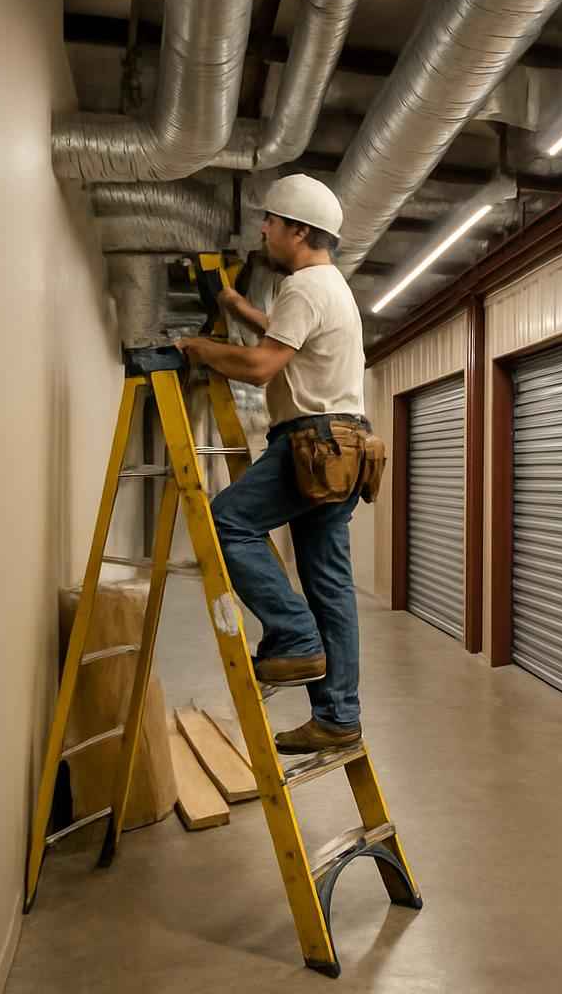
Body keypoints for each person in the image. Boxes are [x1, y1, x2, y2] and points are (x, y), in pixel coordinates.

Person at [175, 175, 369, 755]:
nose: (263, 229)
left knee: (226, 522)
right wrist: (237, 306)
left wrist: (199, 348)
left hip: (311, 443)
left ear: (299, 231)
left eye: (272, 222)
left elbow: (262, 368)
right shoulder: (327, 286)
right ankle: (337, 715)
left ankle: (291, 634)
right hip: (347, 445)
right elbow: (289, 342)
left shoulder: (305, 286)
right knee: (330, 584)